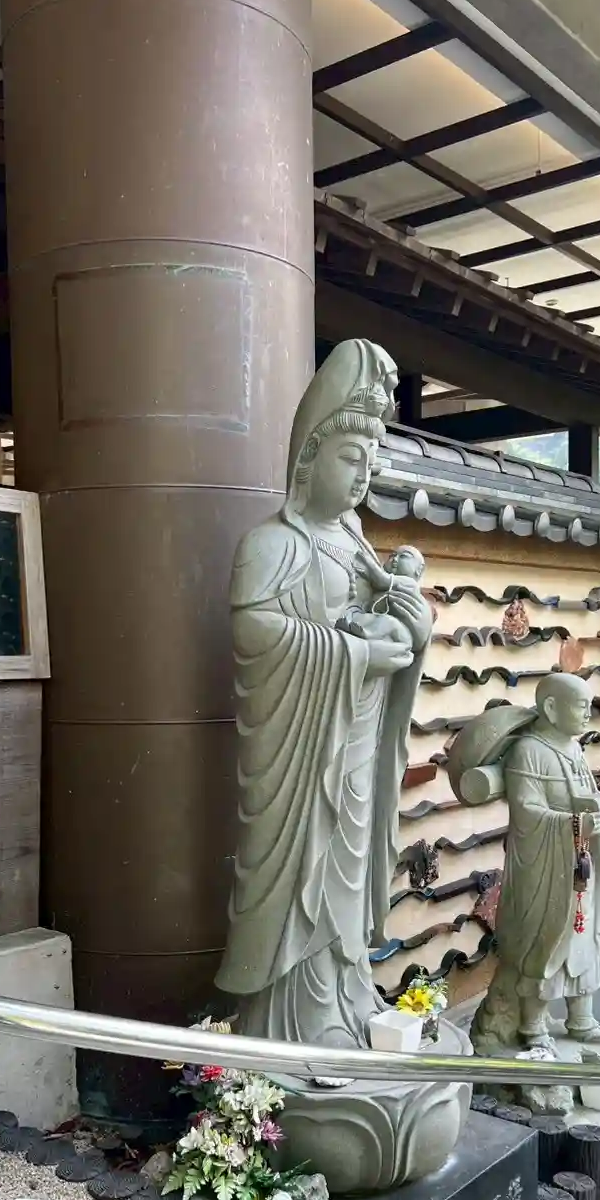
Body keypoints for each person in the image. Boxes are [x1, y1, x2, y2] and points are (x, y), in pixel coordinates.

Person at [215, 341, 433, 1049]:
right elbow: (255, 631)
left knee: (348, 873)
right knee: (306, 876)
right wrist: (355, 652)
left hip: (358, 737)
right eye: (349, 457)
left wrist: (411, 624)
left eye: (371, 460)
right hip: (300, 753)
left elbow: (387, 612)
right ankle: (299, 1021)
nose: (363, 473)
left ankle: (347, 996)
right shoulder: (274, 544)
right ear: (308, 458)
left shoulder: (355, 540)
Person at [452, 673, 600, 1054]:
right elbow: (527, 813)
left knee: (582, 940)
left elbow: (586, 797)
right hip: (543, 866)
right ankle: (532, 1026)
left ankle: (582, 1019)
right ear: (551, 707)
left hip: (578, 862)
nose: (588, 715)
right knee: (544, 944)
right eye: (581, 706)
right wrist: (574, 824)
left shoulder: (574, 748)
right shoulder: (530, 751)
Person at [337, 543, 426, 648]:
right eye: (392, 556)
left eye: (403, 556)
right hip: (379, 618)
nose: (395, 559)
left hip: (398, 628)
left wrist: (368, 562)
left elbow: (382, 580)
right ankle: (350, 623)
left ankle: (366, 633)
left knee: (390, 623)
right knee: (372, 619)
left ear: (419, 569)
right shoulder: (378, 587)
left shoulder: (409, 582)